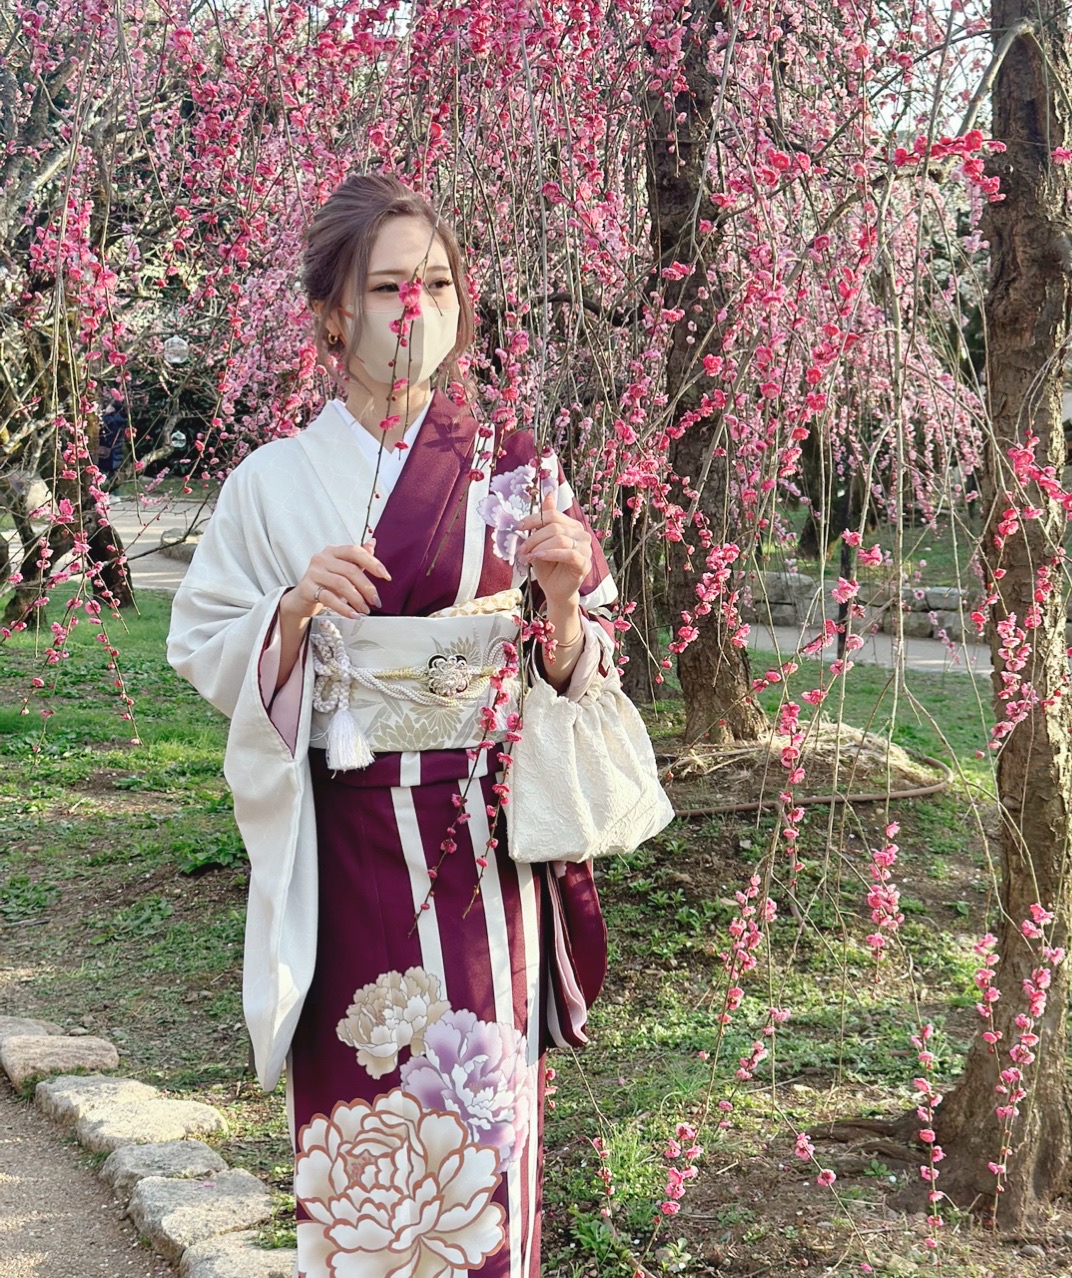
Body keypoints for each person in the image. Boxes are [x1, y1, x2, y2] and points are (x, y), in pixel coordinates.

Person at [168, 173, 617, 1276]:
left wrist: (560, 605)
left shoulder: (514, 477)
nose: (415, 310)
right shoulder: (272, 485)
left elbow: (581, 666)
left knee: (488, 1146)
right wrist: (291, 609)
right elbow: (204, 644)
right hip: (352, 850)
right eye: (387, 287)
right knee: (362, 1153)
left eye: (438, 283)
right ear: (334, 314)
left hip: (484, 858)